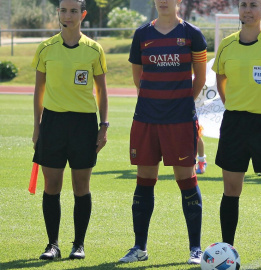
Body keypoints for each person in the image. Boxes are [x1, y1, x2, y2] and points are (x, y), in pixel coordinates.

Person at [118, 0, 207, 265]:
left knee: (186, 178)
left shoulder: (193, 34)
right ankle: (139, 248)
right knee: (144, 178)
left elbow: (199, 79)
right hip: (146, 118)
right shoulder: (142, 34)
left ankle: (195, 248)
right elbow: (138, 78)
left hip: (179, 120)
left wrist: (179, 103)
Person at [212, 0, 261, 268]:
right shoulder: (226, 45)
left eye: (254, 5)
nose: (248, 9)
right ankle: (226, 253)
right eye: (244, 4)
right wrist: (232, 105)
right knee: (231, 189)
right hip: (234, 124)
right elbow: (220, 79)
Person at [32, 0, 108, 261]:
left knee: (80, 186)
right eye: (63, 10)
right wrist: (37, 126)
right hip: (52, 124)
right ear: (58, 13)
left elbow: (102, 92)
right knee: (51, 184)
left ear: (82, 14)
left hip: (84, 125)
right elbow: (38, 90)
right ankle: (52, 245)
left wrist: (103, 126)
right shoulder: (46, 48)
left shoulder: (94, 50)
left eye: (74, 10)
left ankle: (79, 244)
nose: (68, 15)